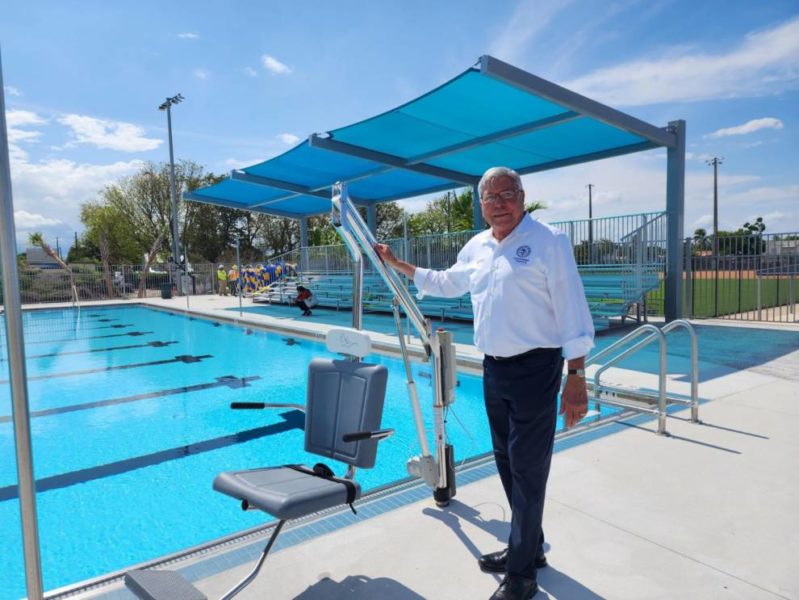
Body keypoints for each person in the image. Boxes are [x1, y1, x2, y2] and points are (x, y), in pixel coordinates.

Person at [374, 166, 594, 600]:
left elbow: (573, 312)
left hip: (536, 369)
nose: (498, 204)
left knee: (529, 471)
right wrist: (398, 263)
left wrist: (576, 376)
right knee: (507, 463)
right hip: (494, 369)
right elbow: (446, 282)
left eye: (506, 194)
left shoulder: (548, 242)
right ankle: (528, 549)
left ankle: (521, 576)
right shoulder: (477, 247)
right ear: (481, 204)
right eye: (490, 197)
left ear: (522, 196)